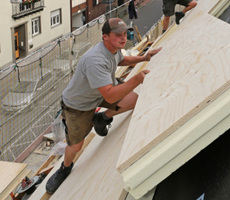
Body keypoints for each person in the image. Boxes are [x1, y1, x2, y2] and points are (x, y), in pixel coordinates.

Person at [45, 18, 162, 194]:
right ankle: (65, 168)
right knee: (76, 146)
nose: (123, 38)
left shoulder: (114, 49)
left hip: (100, 91)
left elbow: (120, 60)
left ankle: (102, 118)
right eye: (118, 35)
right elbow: (110, 94)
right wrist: (137, 79)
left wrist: (143, 57)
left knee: (133, 100)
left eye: (124, 34)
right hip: (79, 105)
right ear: (105, 36)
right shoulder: (95, 60)